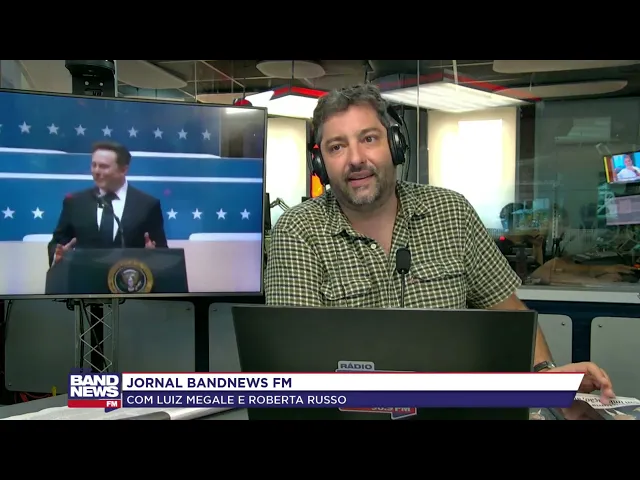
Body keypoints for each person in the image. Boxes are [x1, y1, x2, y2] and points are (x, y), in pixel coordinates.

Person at [265, 83, 615, 408]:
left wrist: (545, 378)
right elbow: (294, 365)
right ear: (320, 163)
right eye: (337, 147)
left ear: (395, 144)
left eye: (369, 138)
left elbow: (511, 315)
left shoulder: (451, 212)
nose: (355, 158)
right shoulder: (299, 230)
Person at [48, 141, 168, 265]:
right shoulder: (75, 202)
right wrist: (59, 255)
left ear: (123, 169)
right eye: (94, 165)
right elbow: (57, 244)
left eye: (103, 166)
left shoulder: (147, 205)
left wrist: (154, 256)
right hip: (85, 275)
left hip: (128, 275)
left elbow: (161, 251)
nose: (96, 171)